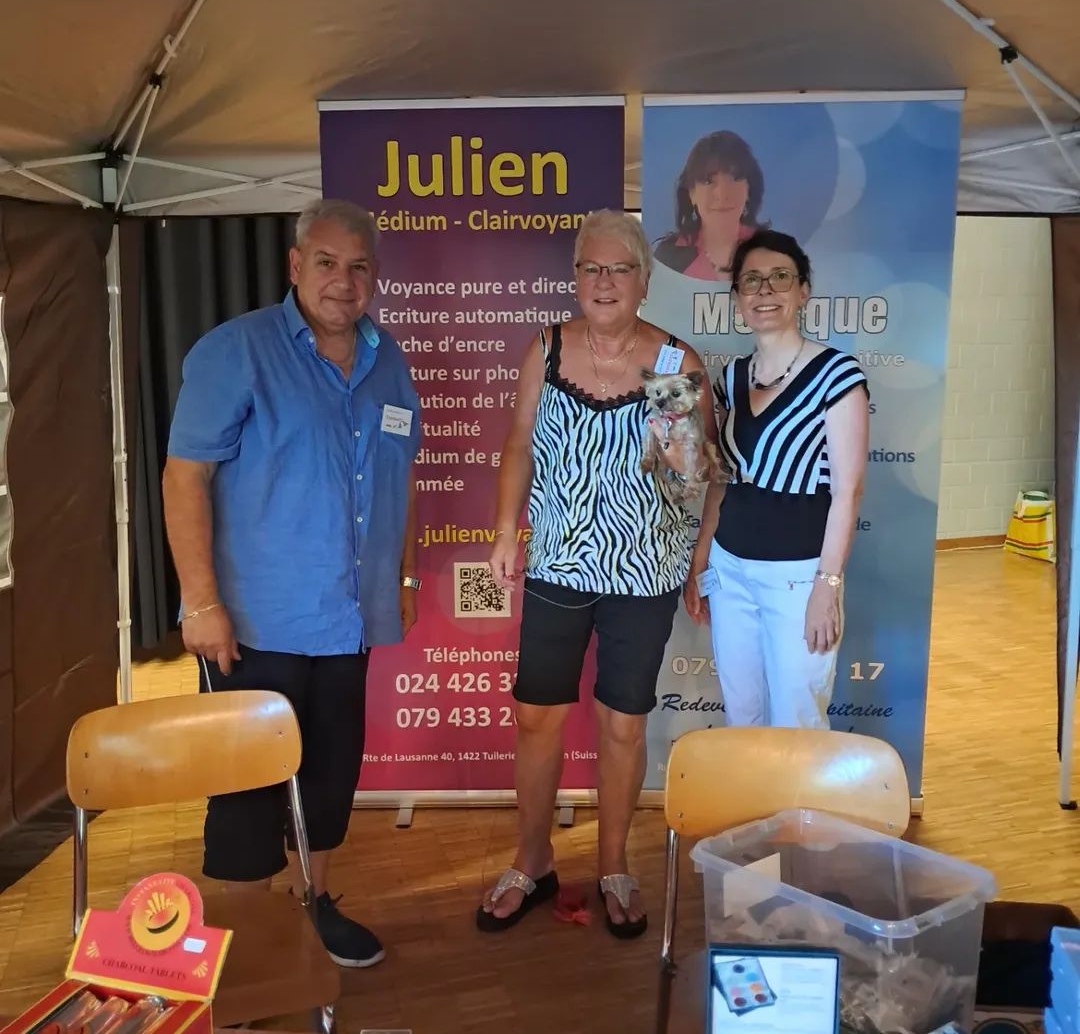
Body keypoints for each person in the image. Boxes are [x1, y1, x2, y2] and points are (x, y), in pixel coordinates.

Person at [162, 198, 421, 969]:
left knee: (330, 776)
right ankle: (245, 948)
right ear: (295, 265)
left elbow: (400, 474)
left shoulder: (387, 359)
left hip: (348, 620)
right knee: (246, 789)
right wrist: (200, 602)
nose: (344, 281)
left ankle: (313, 907)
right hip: (253, 623)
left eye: (359, 267)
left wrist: (403, 574)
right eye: (327, 263)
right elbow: (184, 478)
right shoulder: (235, 351)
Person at [476, 209, 717, 938]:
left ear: (644, 281)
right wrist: (505, 530)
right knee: (536, 715)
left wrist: (681, 453)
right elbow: (519, 443)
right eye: (592, 267)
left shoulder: (674, 362)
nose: (605, 281)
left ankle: (613, 864)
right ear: (575, 277)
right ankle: (532, 859)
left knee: (622, 723)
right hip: (557, 562)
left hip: (642, 571)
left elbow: (692, 479)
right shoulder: (547, 347)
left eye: (621, 268)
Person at [685, 230, 869, 728]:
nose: (765, 290)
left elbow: (848, 491)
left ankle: (796, 794)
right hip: (730, 571)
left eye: (780, 277)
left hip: (798, 577)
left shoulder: (837, 375)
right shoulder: (731, 377)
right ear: (737, 298)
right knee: (742, 715)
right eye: (752, 280)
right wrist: (702, 559)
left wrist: (827, 587)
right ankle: (749, 791)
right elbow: (721, 477)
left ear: (803, 291)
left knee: (797, 721)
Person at [653, 130, 768, 282]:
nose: (722, 194)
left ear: (749, 189)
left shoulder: (772, 249)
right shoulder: (667, 256)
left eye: (734, 178)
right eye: (708, 181)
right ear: (691, 193)